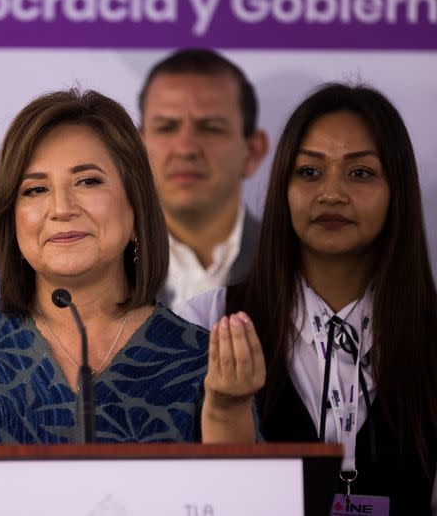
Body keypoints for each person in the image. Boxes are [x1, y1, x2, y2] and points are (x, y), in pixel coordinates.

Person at [0, 88, 263, 473]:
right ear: (11, 221)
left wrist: (228, 410)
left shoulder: (196, 361)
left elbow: (252, 501)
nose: (61, 207)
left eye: (88, 181)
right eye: (35, 189)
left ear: (136, 210)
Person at [177, 84, 437, 513]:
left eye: (360, 173)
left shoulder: (429, 334)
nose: (330, 193)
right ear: (283, 187)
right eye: (310, 172)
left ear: (398, 192)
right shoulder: (204, 324)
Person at [138, 48, 269, 311]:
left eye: (210, 128)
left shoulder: (299, 268)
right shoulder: (102, 273)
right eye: (166, 128)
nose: (186, 148)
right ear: (136, 150)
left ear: (252, 152)